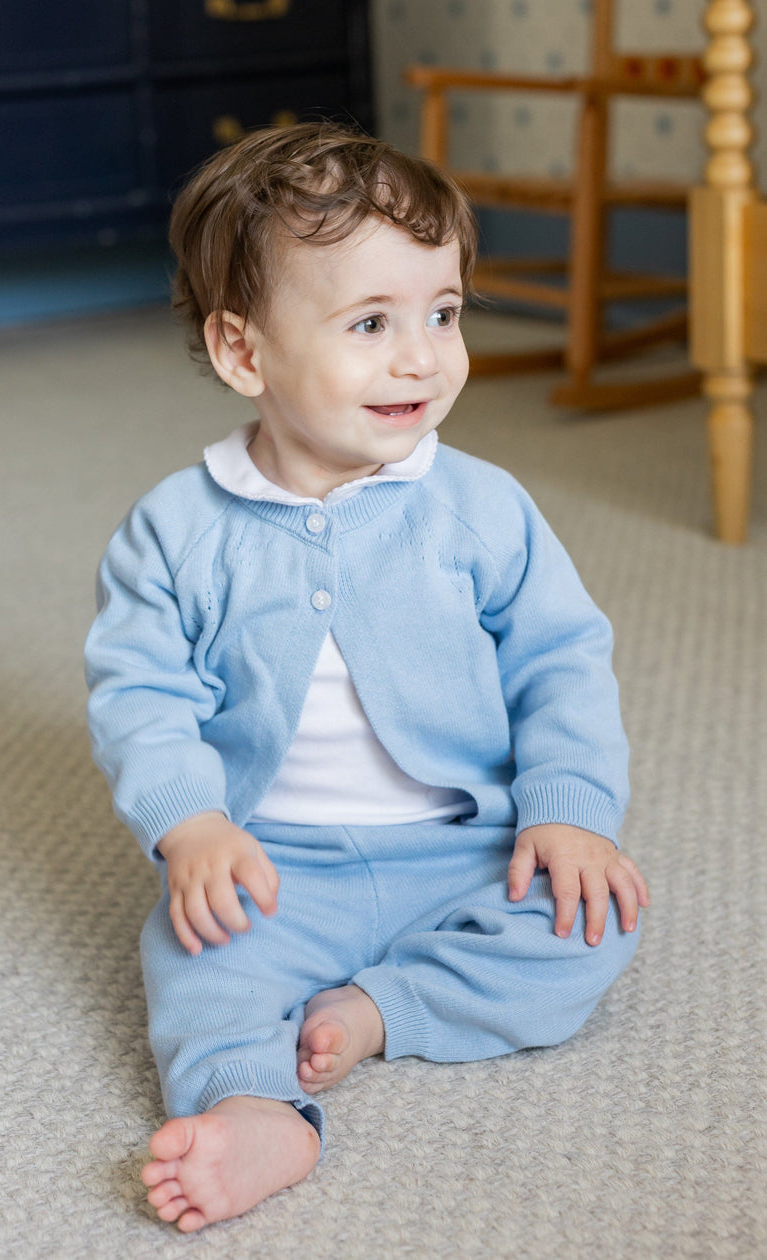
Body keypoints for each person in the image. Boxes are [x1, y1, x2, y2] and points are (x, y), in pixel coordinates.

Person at [84, 121, 649, 1233]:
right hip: (275, 864)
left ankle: (382, 1011)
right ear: (245, 353)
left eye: (444, 313)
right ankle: (259, 1110)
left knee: (593, 928)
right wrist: (191, 824)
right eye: (372, 324)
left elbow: (561, 661)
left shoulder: (482, 509)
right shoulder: (175, 532)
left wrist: (572, 812)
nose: (422, 357)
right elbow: (142, 694)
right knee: (195, 965)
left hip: (463, 843)